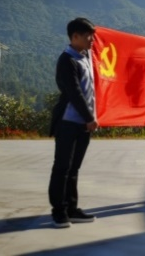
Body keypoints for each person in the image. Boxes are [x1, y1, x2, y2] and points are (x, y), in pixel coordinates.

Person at [49, 17, 99, 228]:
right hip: (68, 122)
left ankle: (72, 208)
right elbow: (74, 92)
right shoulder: (67, 60)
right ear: (75, 36)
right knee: (62, 167)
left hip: (83, 125)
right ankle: (59, 211)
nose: (92, 41)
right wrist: (90, 118)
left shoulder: (85, 57)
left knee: (74, 168)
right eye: (88, 36)